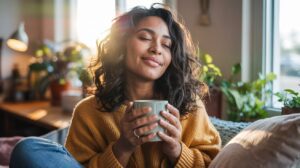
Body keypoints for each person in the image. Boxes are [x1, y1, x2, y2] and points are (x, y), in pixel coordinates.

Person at [10, 4, 221, 168]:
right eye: (145, 37)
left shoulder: (188, 107)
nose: (157, 49)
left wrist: (176, 150)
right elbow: (73, 165)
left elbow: (213, 162)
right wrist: (123, 147)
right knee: (28, 149)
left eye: (167, 45)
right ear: (121, 45)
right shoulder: (89, 111)